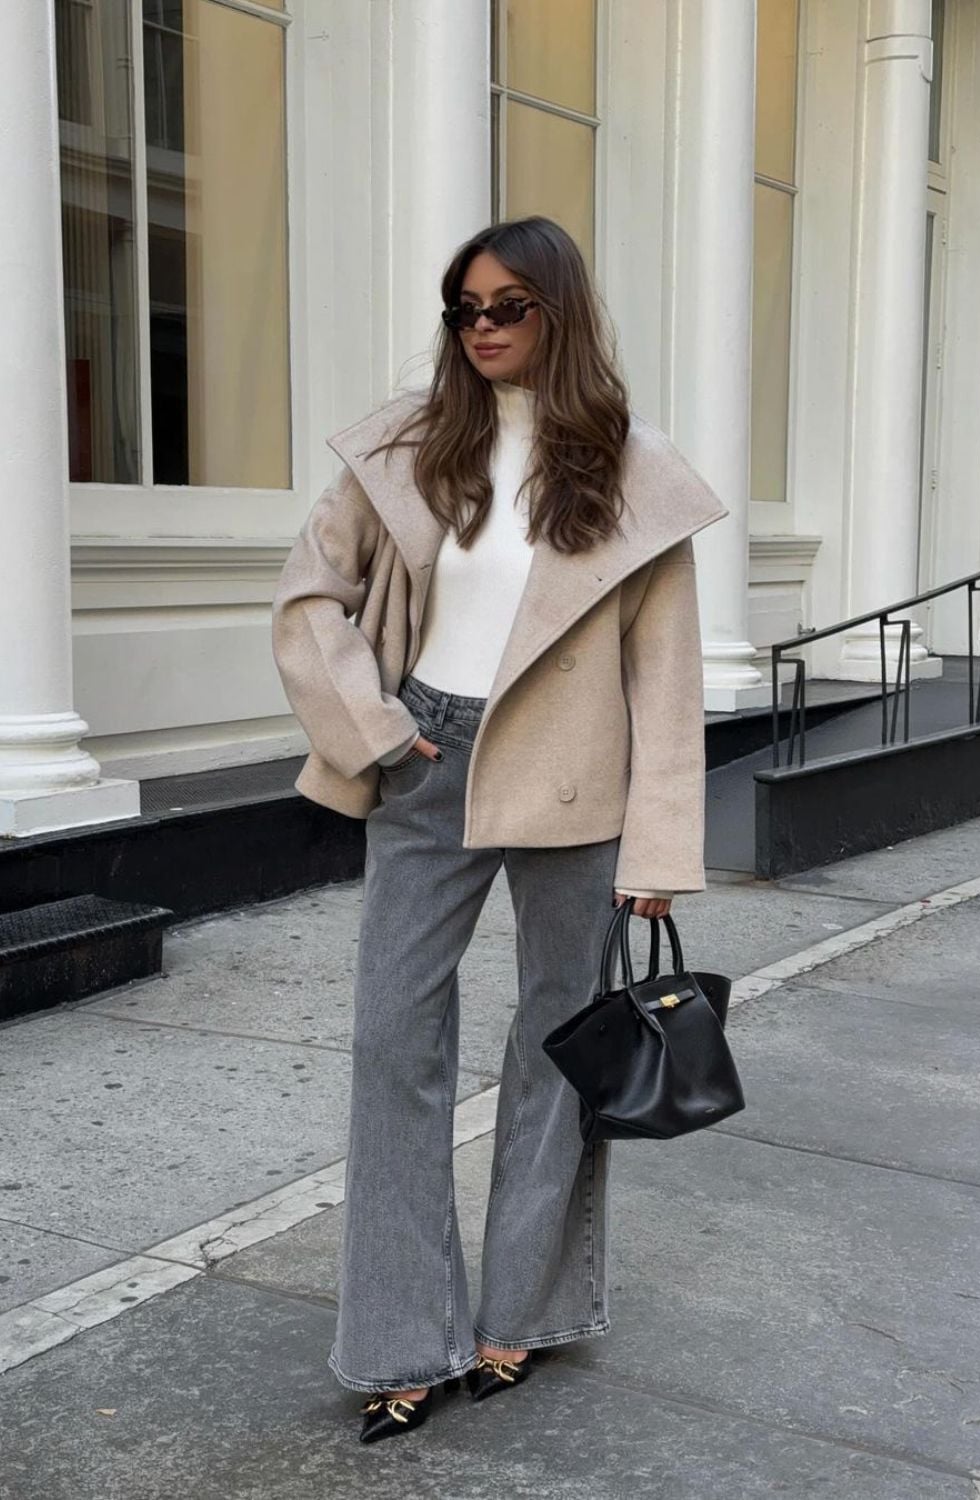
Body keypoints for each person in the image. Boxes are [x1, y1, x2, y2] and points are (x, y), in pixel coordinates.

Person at [271, 215, 727, 1445]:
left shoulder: (632, 472)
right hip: (426, 759)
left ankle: (519, 1308)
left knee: (555, 1044)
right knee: (391, 1042)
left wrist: (660, 854)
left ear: (559, 314)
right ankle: (399, 1334)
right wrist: (372, 726)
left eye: (508, 306)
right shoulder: (408, 449)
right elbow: (311, 600)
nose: (482, 328)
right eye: (464, 308)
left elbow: (664, 678)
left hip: (580, 781)